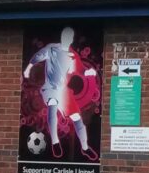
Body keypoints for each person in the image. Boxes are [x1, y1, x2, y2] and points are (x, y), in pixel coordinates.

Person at [23, 27, 98, 161]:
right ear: (62, 37)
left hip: (63, 91)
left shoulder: (73, 55)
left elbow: (79, 71)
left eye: (69, 37)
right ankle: (55, 143)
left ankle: (85, 148)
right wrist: (28, 69)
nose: (66, 39)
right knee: (53, 104)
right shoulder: (52, 48)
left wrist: (89, 72)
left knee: (76, 118)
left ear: (71, 39)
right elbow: (38, 56)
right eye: (64, 36)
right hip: (50, 88)